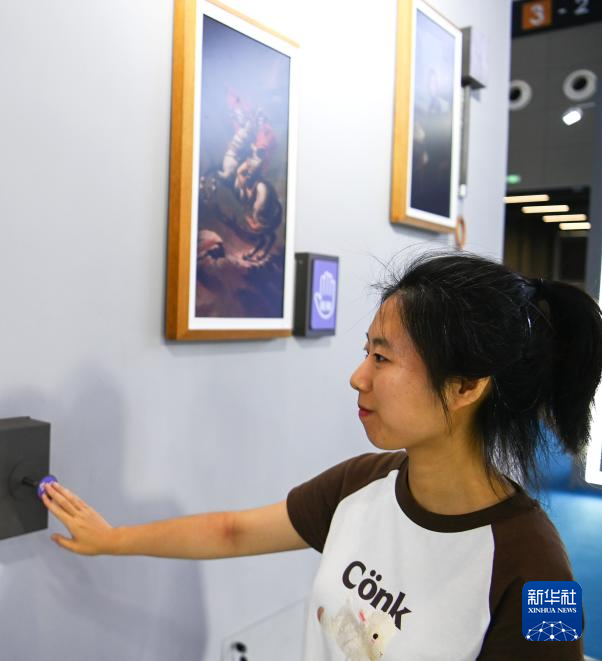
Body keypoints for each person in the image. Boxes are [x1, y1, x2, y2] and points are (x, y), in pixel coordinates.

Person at [42, 252, 602, 660]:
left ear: (464, 387)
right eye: (366, 353)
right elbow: (233, 532)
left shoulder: (541, 573)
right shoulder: (363, 483)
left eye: (382, 358)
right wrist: (112, 540)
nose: (358, 376)